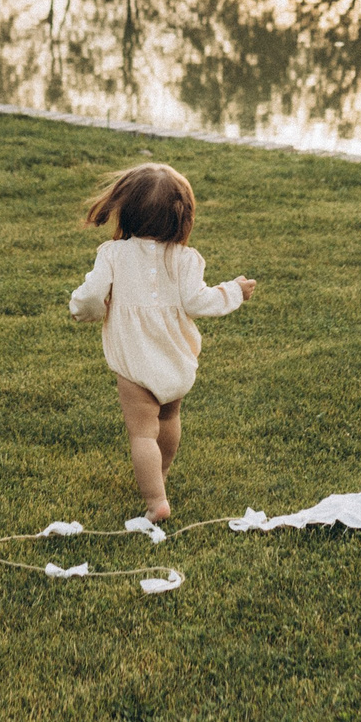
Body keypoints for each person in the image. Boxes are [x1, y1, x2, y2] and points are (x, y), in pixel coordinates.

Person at [66, 162, 255, 523]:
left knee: (142, 433)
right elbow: (199, 301)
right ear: (182, 219)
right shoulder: (185, 259)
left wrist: (84, 311)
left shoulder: (112, 254)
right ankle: (161, 476)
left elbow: (91, 296)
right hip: (176, 359)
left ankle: (156, 501)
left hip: (135, 362)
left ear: (128, 212)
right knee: (169, 416)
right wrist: (234, 290)